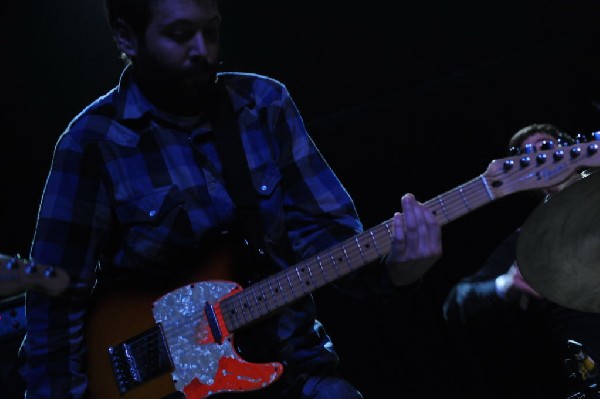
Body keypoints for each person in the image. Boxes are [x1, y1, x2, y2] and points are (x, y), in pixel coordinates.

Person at [19, 0, 443, 398]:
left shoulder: (264, 105)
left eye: (211, 30)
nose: (202, 50)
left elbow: (328, 240)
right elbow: (52, 304)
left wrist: (400, 270)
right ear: (127, 37)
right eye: (181, 34)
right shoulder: (91, 144)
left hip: (294, 373)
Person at [442, 123, 600, 399]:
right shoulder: (526, 242)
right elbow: (457, 301)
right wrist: (505, 284)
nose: (544, 158)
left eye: (548, 148)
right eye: (529, 155)